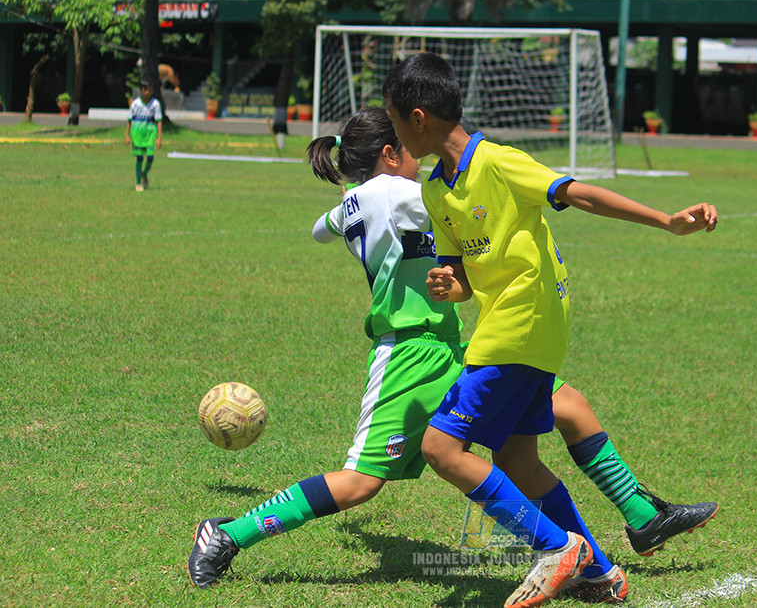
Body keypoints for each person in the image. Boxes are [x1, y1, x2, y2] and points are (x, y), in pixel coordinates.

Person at [186, 107, 718, 603]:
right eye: (410, 150)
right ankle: (226, 534)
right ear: (392, 154)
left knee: (558, 415)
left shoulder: (359, 201)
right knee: (360, 483)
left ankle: (614, 544)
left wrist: (350, 212)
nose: (422, 160)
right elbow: (465, 205)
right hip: (408, 356)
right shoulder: (394, 190)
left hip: (453, 344)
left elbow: (320, 230)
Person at [380, 52, 718, 607]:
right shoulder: (437, 190)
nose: (394, 136)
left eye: (394, 122)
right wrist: (451, 285)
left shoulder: (497, 162)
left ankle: (556, 547)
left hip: (521, 328)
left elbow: (578, 193)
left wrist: (665, 221)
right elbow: (464, 274)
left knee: (441, 447)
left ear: (418, 118)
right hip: (511, 328)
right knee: (517, 460)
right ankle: (600, 572)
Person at [125, 77, 162, 191]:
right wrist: (126, 136)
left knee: (150, 157)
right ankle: (138, 183)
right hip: (137, 135)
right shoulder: (135, 104)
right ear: (141, 90)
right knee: (140, 158)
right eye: (145, 89)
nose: (147, 92)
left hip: (150, 135)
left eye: (149, 90)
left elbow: (159, 121)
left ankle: (144, 174)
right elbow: (129, 120)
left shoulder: (155, 104)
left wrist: (159, 138)